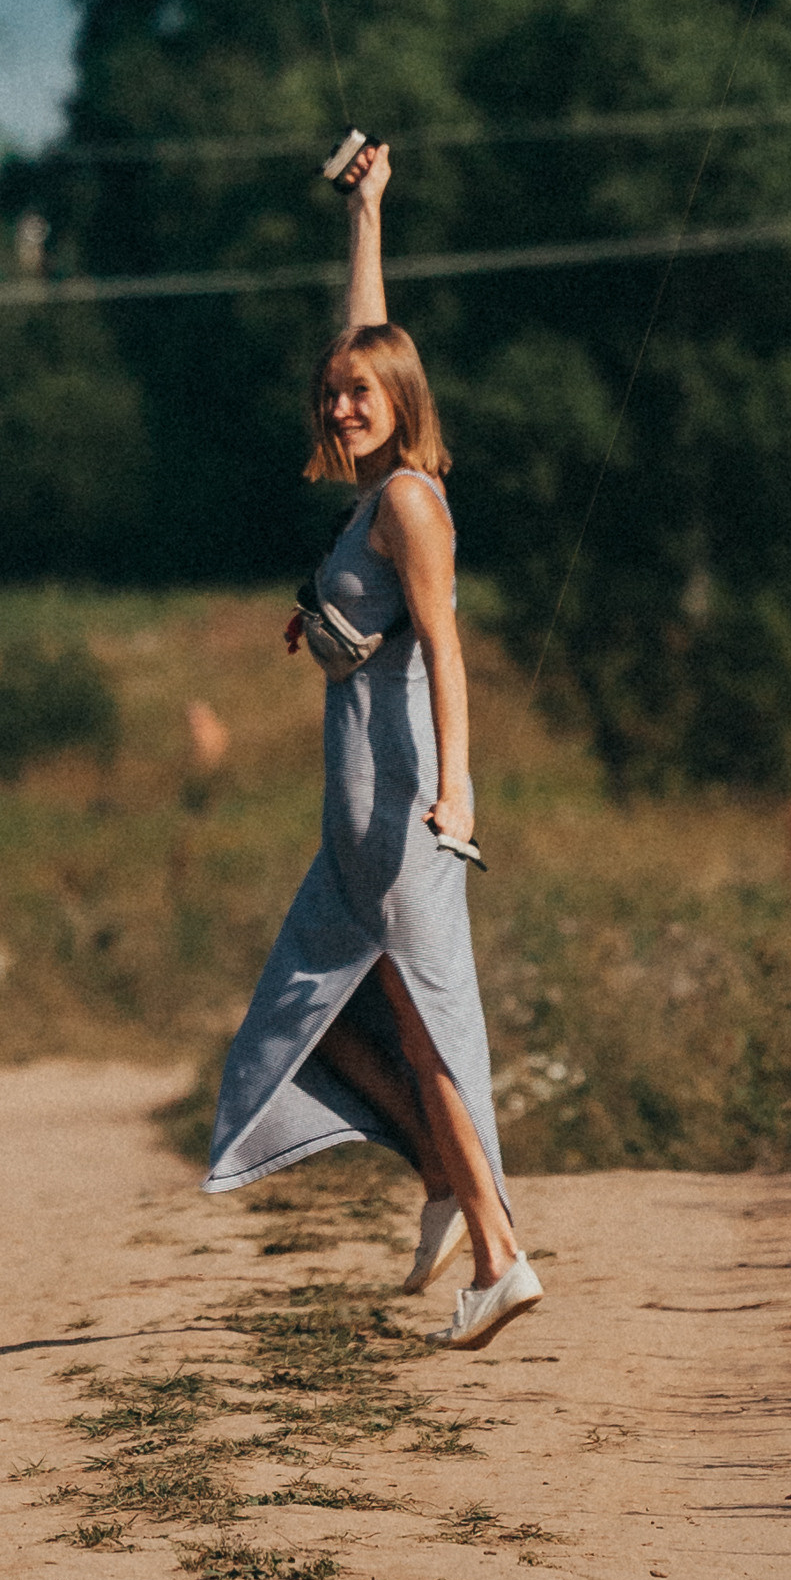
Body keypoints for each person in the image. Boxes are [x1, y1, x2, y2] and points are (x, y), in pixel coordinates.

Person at [203, 142, 543, 1350]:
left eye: (361, 394)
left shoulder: (407, 503)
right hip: (354, 809)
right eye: (332, 393)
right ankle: (448, 1185)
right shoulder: (376, 494)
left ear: (403, 402)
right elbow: (370, 332)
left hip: (399, 804)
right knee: (338, 1015)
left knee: (423, 1026)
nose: (341, 405)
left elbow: (448, 648)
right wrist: (366, 215)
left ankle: (498, 1250)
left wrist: (456, 792)